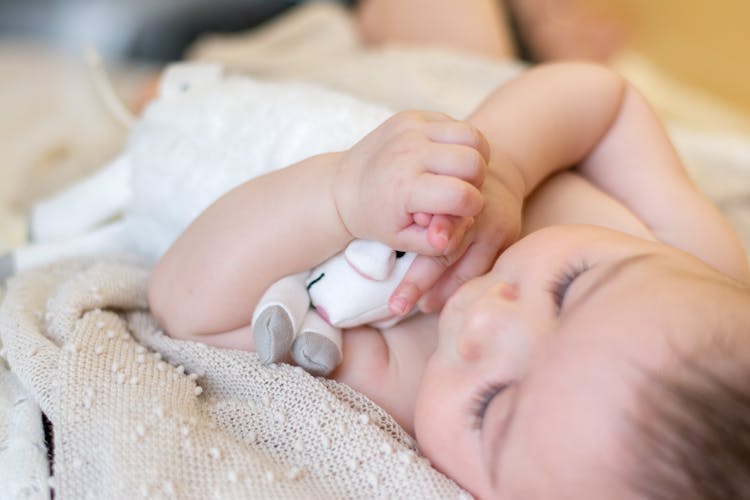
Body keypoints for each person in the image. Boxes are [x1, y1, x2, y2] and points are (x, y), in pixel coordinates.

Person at [149, 1, 750, 498]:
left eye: (493, 406)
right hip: (466, 92)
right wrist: (508, 164)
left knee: (165, 99)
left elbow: (190, 302)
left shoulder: (408, 378)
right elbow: (607, 106)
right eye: (569, 288)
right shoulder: (702, 263)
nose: (486, 315)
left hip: (302, 114)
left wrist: (339, 197)